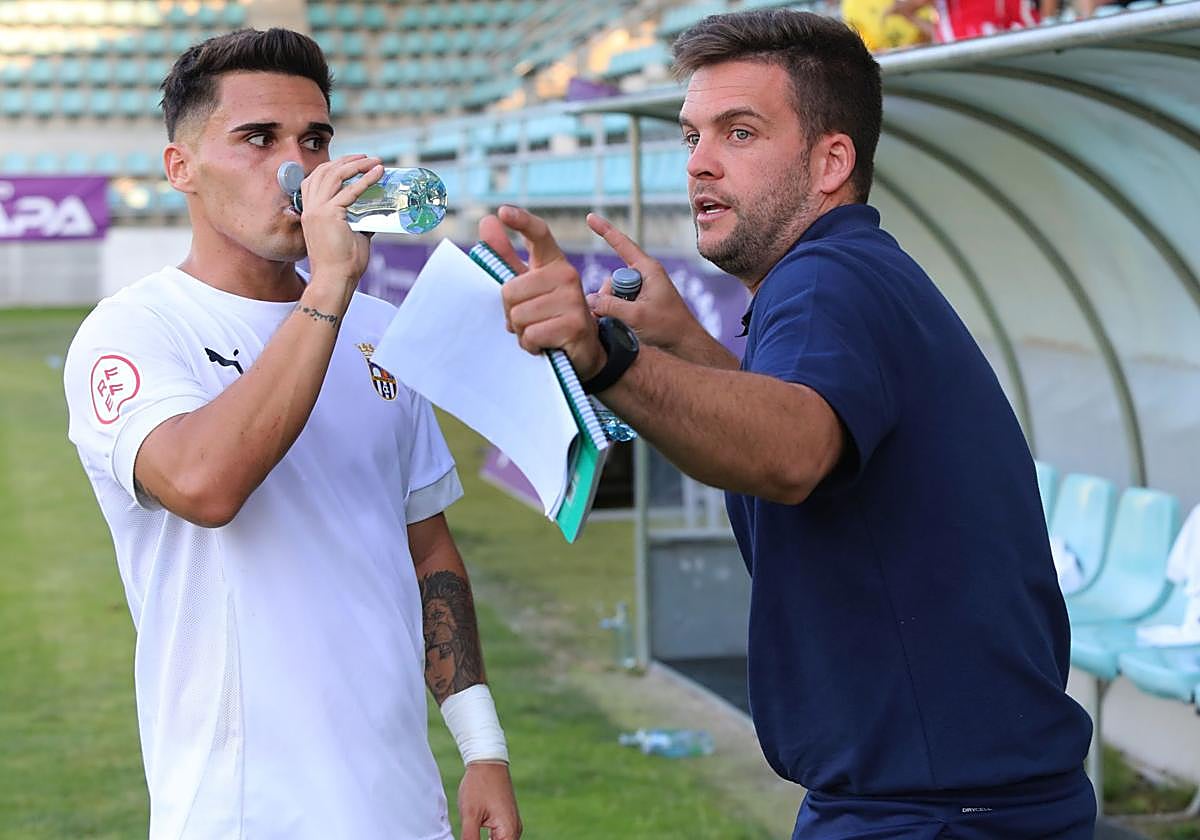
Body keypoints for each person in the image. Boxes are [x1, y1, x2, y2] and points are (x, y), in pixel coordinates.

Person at [481, 9, 1094, 838]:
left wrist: (608, 357)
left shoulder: (825, 280)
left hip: (932, 813)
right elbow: (806, 438)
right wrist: (684, 342)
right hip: (956, 800)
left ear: (830, 161)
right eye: (692, 134)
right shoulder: (849, 271)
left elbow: (792, 451)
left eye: (739, 133)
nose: (699, 161)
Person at [63, 29, 520, 840]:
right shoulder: (132, 331)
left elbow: (428, 553)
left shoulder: (379, 330)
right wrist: (331, 285)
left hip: (401, 805)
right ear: (182, 169)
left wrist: (482, 748)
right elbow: (207, 485)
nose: (298, 168)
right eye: (257, 139)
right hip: (243, 811)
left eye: (315, 140)